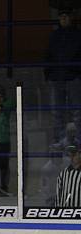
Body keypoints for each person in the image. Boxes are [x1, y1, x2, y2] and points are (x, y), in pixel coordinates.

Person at [45, 8, 81, 151]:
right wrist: (48, 74)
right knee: (57, 111)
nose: (64, 19)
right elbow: (48, 55)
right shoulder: (54, 36)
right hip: (58, 77)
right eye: (61, 16)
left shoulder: (77, 35)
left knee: (77, 110)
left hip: (72, 77)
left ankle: (78, 138)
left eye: (66, 16)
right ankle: (60, 139)